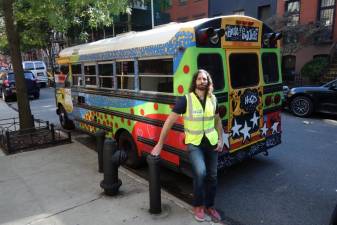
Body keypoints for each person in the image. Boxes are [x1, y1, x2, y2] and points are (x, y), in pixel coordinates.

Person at [151, 69, 224, 222]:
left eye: (205, 79)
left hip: (211, 142)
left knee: (213, 176)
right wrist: (160, 144)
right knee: (200, 173)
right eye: (200, 79)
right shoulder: (186, 100)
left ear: (208, 81)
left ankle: (210, 206)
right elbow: (169, 121)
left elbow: (217, 120)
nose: (203, 81)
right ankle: (198, 206)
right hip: (194, 143)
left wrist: (221, 139)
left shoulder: (213, 99)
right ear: (195, 82)